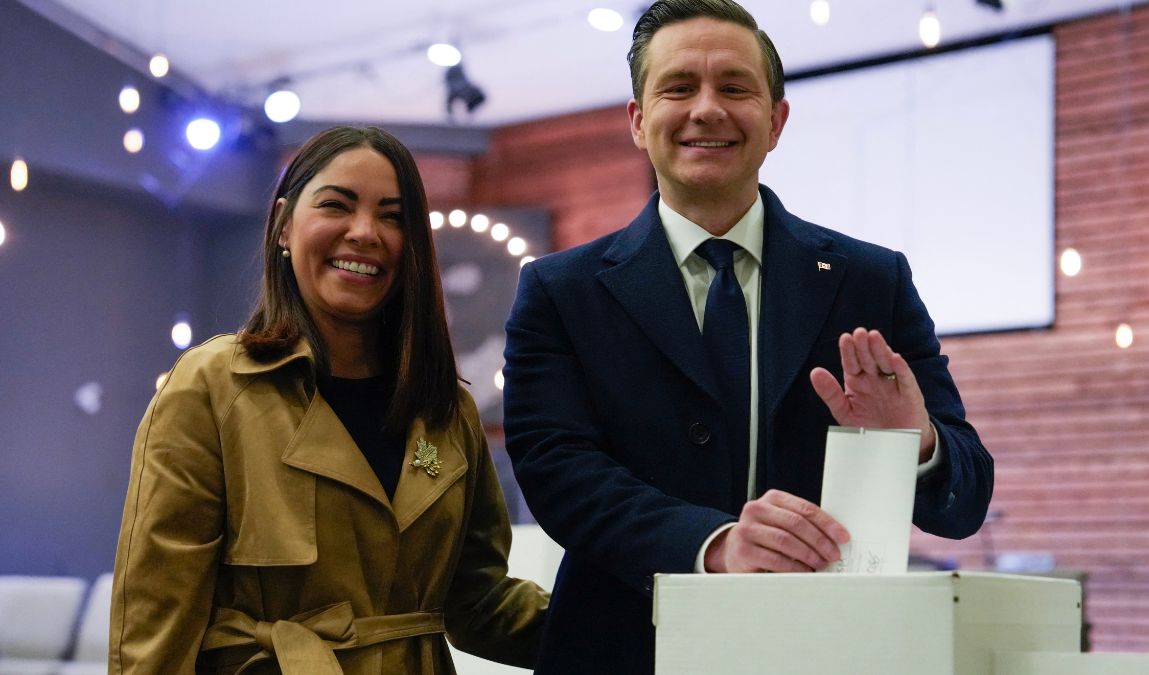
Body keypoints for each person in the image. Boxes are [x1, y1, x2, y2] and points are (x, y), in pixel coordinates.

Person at [501, 1, 994, 673]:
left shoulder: (871, 281)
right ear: (639, 121)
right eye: (679, 88)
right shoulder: (561, 291)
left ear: (776, 121)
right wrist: (713, 543)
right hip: (622, 649)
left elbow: (966, 500)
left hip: (823, 653)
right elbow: (558, 472)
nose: (707, 109)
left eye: (735, 88)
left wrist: (919, 443)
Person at [110, 126, 547, 674]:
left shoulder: (444, 409)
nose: (365, 232)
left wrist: (625, 627)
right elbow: (155, 619)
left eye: (393, 216)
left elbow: (478, 602)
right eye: (336, 205)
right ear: (283, 225)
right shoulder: (213, 387)